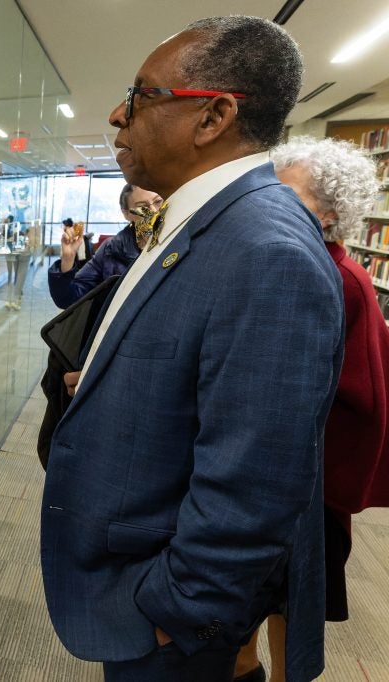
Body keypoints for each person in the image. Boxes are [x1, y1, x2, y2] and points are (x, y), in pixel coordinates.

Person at [40, 16, 344, 682]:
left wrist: (176, 620)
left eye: (142, 95)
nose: (119, 114)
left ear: (213, 117)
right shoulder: (200, 221)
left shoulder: (266, 251)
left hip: (168, 625)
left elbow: (256, 488)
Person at [232, 136, 389, 682]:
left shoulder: (331, 277)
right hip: (299, 474)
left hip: (305, 484)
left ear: (328, 213)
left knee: (283, 602)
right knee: (264, 604)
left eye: (286, 194)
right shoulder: (321, 265)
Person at [48, 185, 163, 308]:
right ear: (127, 214)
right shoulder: (112, 249)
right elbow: (69, 299)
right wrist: (67, 260)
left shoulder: (180, 241)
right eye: (142, 206)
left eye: (158, 202)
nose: (154, 211)